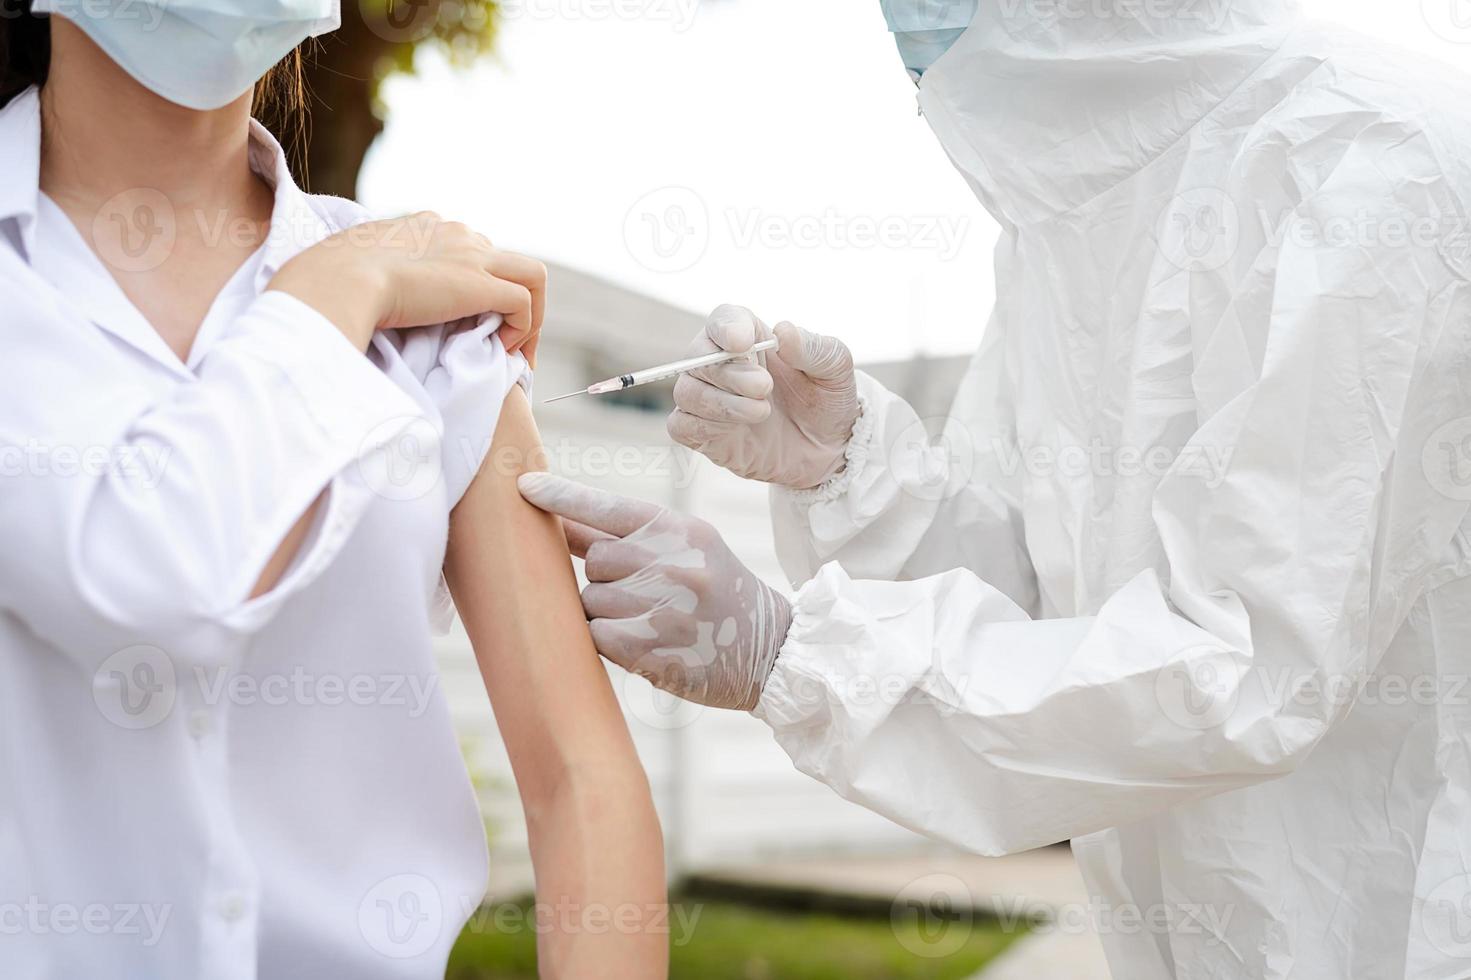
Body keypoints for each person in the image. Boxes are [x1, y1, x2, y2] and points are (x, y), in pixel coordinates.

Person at [517, 1, 1471, 977]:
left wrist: (785, 650)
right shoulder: (1068, 225)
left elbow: (1247, 666)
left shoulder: (1371, 159)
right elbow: (1031, 599)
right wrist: (846, 467)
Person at [0, 3, 666, 977]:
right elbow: (150, 572)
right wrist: (334, 295)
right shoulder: (381, 283)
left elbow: (579, 778)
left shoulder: (435, 302)